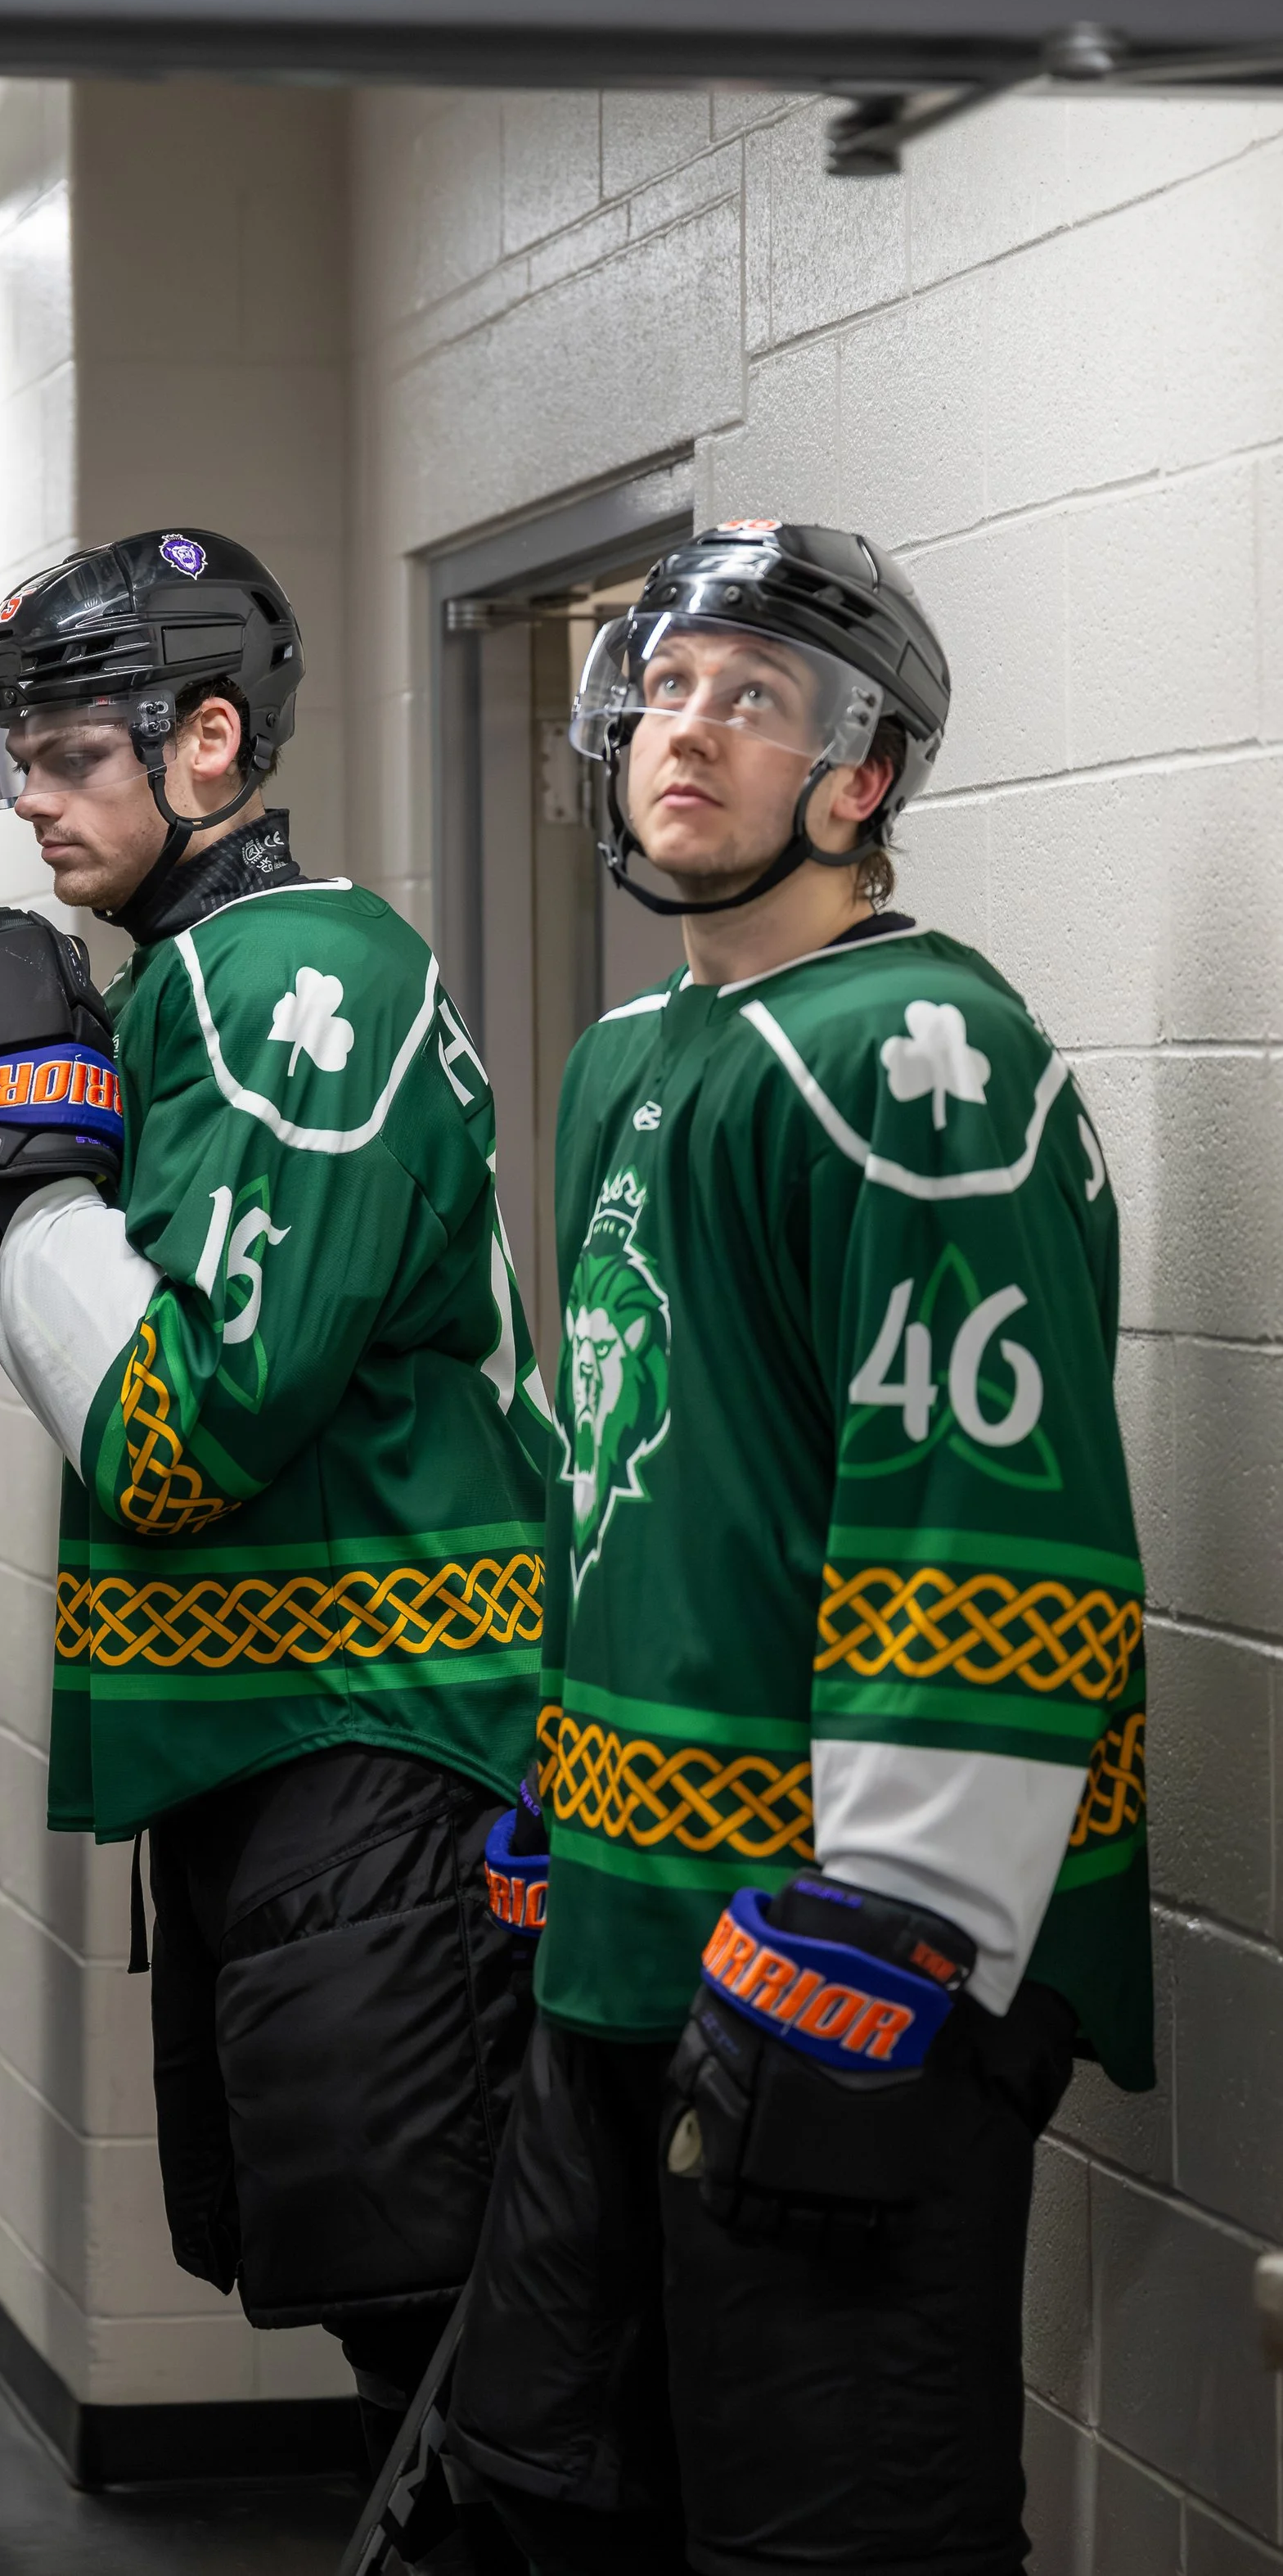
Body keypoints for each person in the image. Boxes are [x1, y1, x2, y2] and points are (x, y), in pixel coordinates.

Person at [448, 520, 1152, 2576]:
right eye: (662, 689)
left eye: (752, 701)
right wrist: (571, 1779)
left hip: (839, 1959)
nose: (685, 732)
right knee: (560, 2486)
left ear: (860, 777)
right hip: (636, 1921)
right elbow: (637, 1465)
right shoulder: (622, 1056)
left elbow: (976, 1521)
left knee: (837, 2534)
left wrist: (899, 1923)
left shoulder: (919, 1064)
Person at [0, 532, 550, 2530]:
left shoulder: (292, 977)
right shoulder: (184, 982)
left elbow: (177, 1437)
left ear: (205, 741)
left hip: (384, 1734)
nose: (28, 800)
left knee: (440, 2339)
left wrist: (30, 1207)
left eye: (69, 753)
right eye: (12, 757)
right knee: (376, 2301)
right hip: (290, 1745)